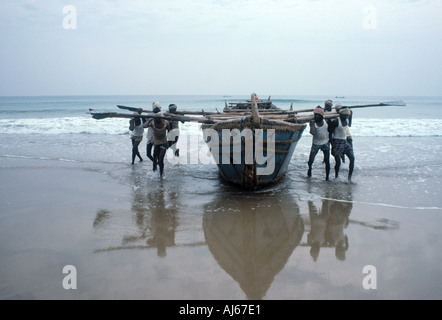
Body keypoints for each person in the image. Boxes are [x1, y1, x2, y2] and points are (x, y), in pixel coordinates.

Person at [328, 107, 355, 182]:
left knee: (352, 158)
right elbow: (330, 134)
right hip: (336, 142)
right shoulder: (336, 122)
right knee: (338, 162)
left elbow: (350, 123)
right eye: (345, 116)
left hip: (344, 141)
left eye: (347, 116)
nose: (346, 117)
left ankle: (349, 178)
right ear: (340, 115)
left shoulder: (346, 120)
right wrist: (333, 147)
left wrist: (350, 114)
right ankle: (336, 177)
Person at [307, 107, 330, 180]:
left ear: (321, 116)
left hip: (325, 142)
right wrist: (312, 125)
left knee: (327, 160)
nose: (316, 116)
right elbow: (312, 133)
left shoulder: (326, 121)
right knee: (311, 160)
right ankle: (310, 169)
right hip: (316, 143)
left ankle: (327, 177)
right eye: (315, 115)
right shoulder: (312, 122)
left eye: (318, 115)